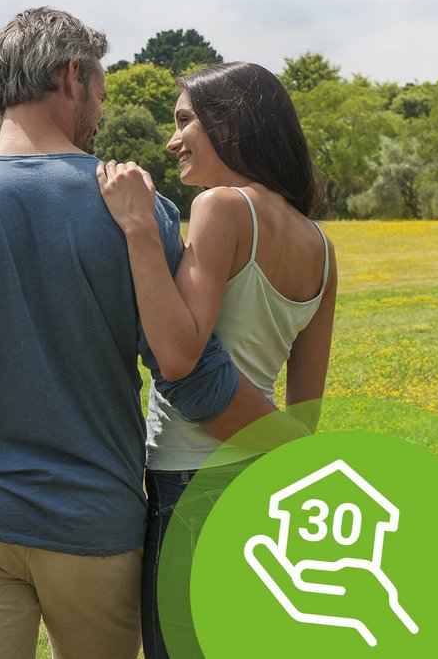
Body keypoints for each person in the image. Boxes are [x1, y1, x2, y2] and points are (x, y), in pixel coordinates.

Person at [0, 8, 276, 658]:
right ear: (72, 77)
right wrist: (288, 444)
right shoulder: (136, 208)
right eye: (101, 89)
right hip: (93, 526)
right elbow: (189, 374)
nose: (100, 109)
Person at [97, 62, 338, 659]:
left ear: (230, 125)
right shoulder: (321, 246)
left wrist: (138, 228)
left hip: (189, 483)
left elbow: (178, 354)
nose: (172, 140)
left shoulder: (221, 207)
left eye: (185, 122)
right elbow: (304, 420)